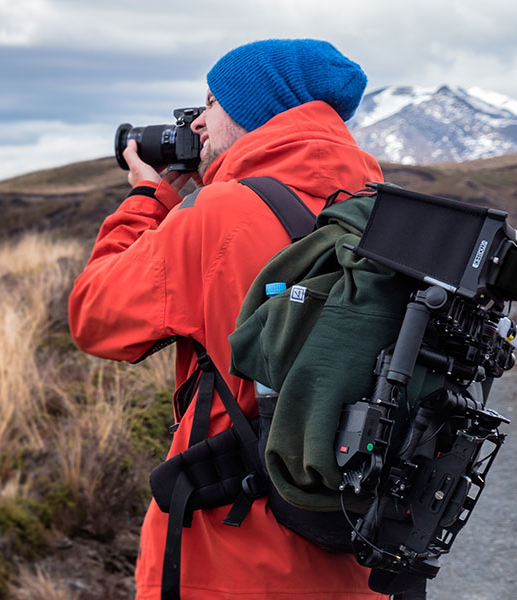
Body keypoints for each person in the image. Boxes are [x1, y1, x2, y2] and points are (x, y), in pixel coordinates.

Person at [68, 39, 389, 599]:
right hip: (355, 550)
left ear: (256, 110)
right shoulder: (382, 211)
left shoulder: (221, 215)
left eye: (212, 102)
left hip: (229, 557)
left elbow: (94, 315)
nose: (197, 124)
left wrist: (150, 199)